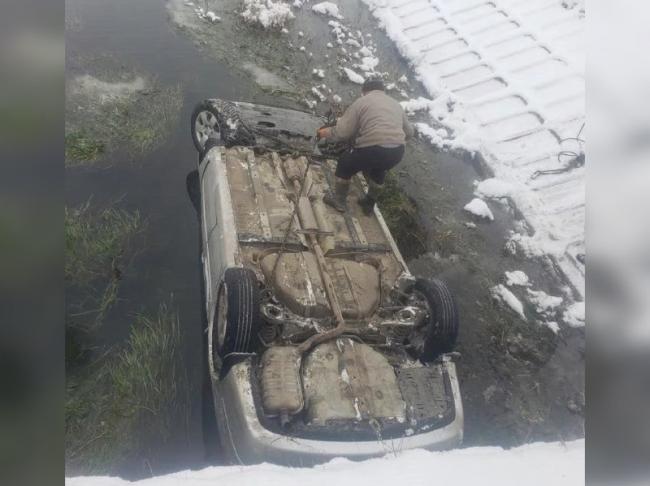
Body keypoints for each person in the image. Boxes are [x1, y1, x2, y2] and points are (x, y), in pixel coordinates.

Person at [316, 78, 414, 215]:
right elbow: (409, 133)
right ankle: (369, 204)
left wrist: (326, 132)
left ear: (364, 91)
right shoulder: (395, 104)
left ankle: (339, 200)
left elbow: (343, 132)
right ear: (383, 90)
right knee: (379, 169)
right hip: (397, 151)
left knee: (345, 163)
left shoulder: (361, 102)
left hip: (373, 149)